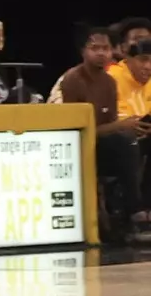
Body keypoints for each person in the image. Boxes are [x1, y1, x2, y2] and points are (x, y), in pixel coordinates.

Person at [53, 26, 148, 241]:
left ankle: (131, 215)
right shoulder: (72, 80)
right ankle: (134, 213)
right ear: (82, 51)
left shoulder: (109, 82)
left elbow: (109, 123)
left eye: (105, 48)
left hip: (103, 144)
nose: (101, 53)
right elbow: (75, 131)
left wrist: (124, 127)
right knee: (126, 143)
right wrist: (121, 126)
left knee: (133, 142)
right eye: (94, 47)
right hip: (76, 148)